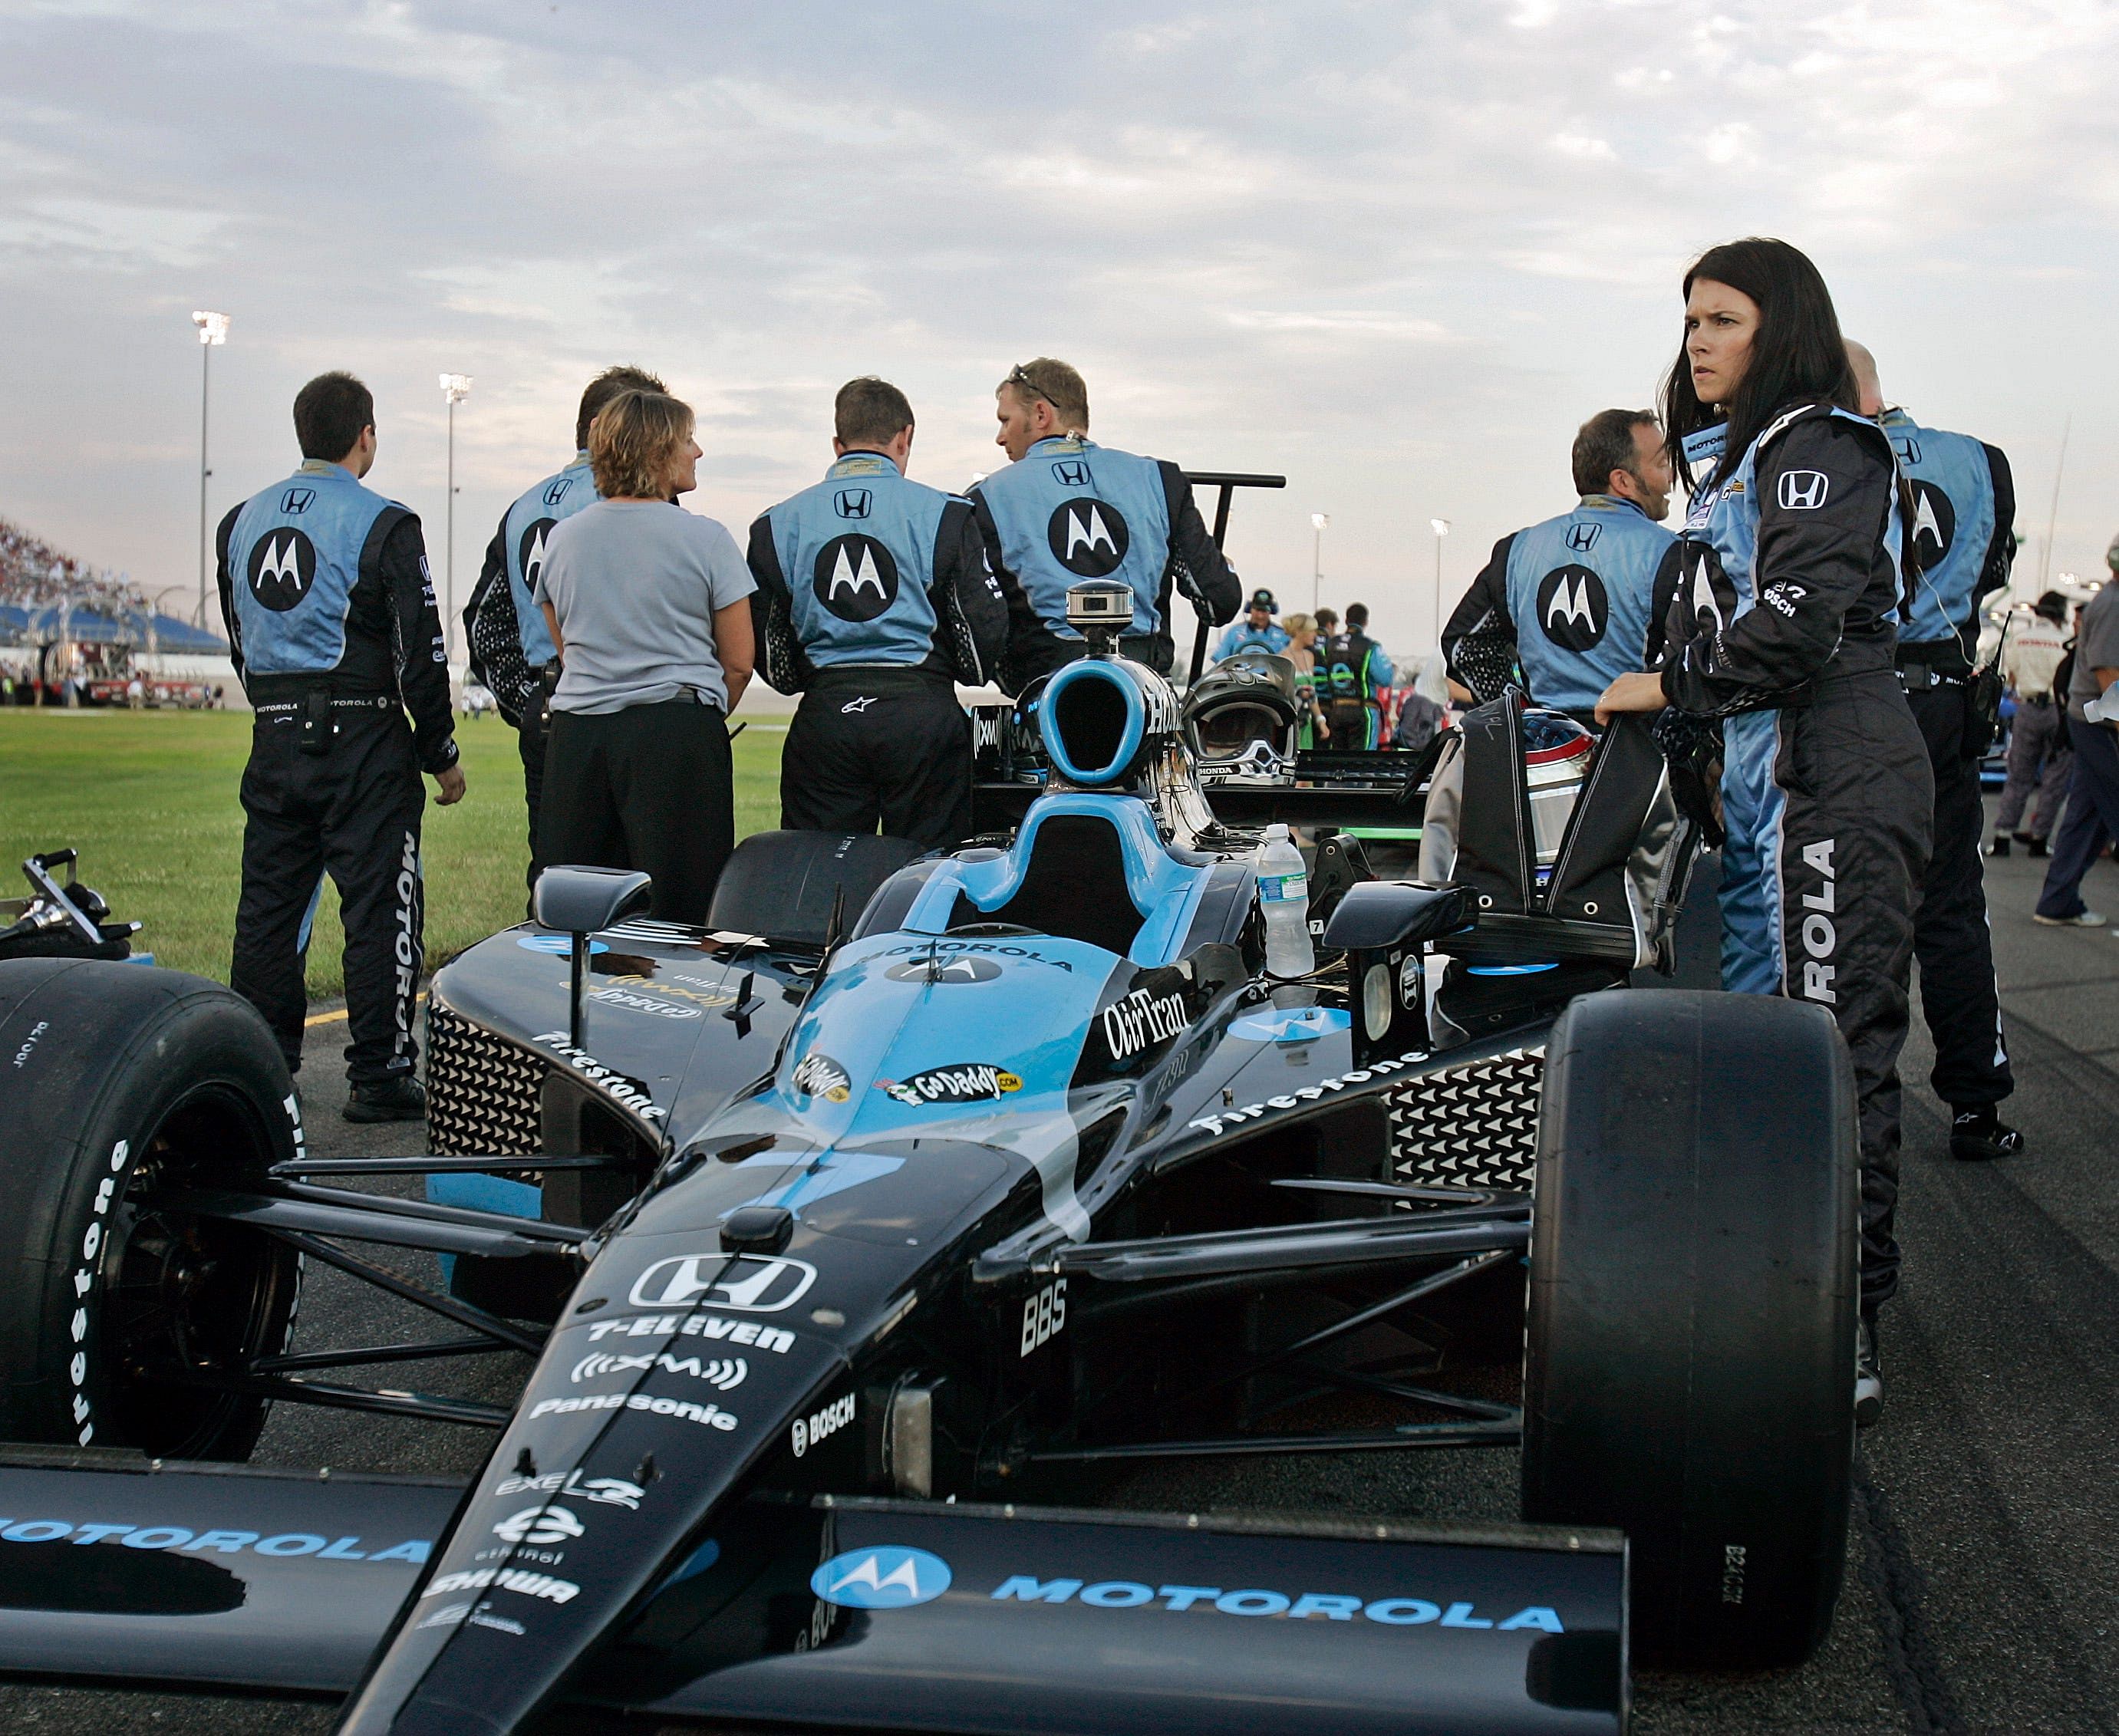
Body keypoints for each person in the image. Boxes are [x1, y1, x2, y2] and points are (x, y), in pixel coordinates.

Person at [1597, 238, 1931, 1428]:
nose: (1696, 338)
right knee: (1764, 1051)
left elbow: (1791, 627)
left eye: (1723, 318)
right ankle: (1767, 1289)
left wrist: (1660, 684)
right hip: (1766, 790)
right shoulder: (1739, 461)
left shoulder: (1818, 444)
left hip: (1834, 772)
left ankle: (1840, 1319)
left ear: (1777, 328)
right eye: (1689, 317)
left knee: (1831, 1054)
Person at [216, 371, 464, 1122]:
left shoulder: (238, 521)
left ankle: (257, 1068)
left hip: (275, 732)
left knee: (268, 905)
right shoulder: (386, 521)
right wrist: (440, 749)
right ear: (366, 434)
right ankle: (381, 1075)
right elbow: (420, 647)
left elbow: (240, 639)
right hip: (363, 737)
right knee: (380, 907)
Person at [1846, 340, 2022, 1164]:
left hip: (1865, 700)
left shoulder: (1833, 458)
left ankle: (1841, 1103)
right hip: (1949, 699)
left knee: (1845, 905)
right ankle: (1975, 1104)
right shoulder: (1981, 461)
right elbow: (1990, 573)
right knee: (1951, 905)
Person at [746, 377, 1007, 850]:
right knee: (931, 873)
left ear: (837, 444)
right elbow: (982, 637)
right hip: (922, 716)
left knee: (819, 873)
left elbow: (770, 652)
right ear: (905, 436)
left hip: (827, 715)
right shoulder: (947, 512)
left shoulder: (775, 522)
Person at [534, 388, 754, 924]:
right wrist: (693, 715)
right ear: (656, 453)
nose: (697, 452)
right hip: (674, 734)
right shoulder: (706, 538)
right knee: (682, 910)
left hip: (579, 739)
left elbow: (564, 645)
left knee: (577, 915)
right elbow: (740, 662)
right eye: (687, 440)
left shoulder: (563, 539)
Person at [463, 365, 665, 906]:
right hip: (632, 707)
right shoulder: (643, 500)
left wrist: (530, 702)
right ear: (608, 426)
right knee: (640, 883)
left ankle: (550, 987)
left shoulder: (523, 507)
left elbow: (485, 625)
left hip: (551, 708)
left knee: (556, 880)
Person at [970, 358, 1241, 687]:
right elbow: (1219, 603)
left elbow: (978, 628)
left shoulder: (985, 498)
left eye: (1005, 420)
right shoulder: (1161, 480)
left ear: (1041, 414)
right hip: (1147, 693)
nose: (1000, 437)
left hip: (1046, 697)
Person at [1442, 408, 1676, 723]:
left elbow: (1464, 645)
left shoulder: (1517, 549)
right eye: (1661, 464)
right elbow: (1700, 661)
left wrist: (1521, 714)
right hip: (1633, 751)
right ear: (1622, 481)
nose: (1671, 477)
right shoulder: (1674, 552)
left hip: (1539, 753)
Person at [2033, 549, 2119, 928]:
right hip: (2100, 721)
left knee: (2086, 814)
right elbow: (2108, 675)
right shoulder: (2114, 605)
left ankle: (2058, 900)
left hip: (2092, 719)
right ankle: (2059, 898)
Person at [1992, 590, 2075, 856]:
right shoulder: (2065, 642)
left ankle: (2003, 836)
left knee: (2018, 774)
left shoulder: (2020, 639)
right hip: (2057, 711)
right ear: (2061, 616)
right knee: (2056, 776)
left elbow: (2011, 677)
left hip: (2027, 709)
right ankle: (2039, 838)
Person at [1320, 602, 1394, 749]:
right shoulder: (1370, 646)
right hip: (1362, 710)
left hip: (1335, 710)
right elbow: (1386, 679)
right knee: (1362, 763)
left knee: (1336, 762)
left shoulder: (1329, 644)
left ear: (1346, 620)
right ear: (1365, 622)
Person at [1282, 611, 1331, 746]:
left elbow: (1312, 694)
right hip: (1291, 723)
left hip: (1307, 720)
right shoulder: (1284, 658)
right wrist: (1297, 691)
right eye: (1311, 631)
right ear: (1300, 632)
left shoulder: (1310, 656)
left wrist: (1321, 721)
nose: (1315, 635)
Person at [1393, 650, 1449, 752]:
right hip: (1424, 745)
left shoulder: (1409, 696)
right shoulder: (1434, 701)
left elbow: (1400, 714)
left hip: (1404, 742)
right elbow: (1438, 726)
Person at [1215, 588, 1290, 660]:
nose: (1260, 616)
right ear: (1250, 609)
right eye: (1257, 610)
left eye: (1264, 611)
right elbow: (1221, 662)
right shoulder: (1234, 632)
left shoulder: (1283, 636)